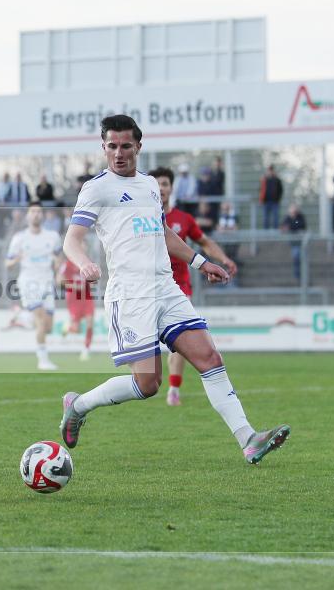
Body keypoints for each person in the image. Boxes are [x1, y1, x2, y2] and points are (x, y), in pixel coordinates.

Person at [60, 114, 290, 466]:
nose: (118, 153)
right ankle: (78, 406)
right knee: (147, 384)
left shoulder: (151, 185)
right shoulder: (97, 188)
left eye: (125, 146)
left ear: (138, 146)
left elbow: (163, 233)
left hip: (166, 289)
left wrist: (202, 262)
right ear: (103, 147)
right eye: (112, 146)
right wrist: (84, 263)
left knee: (210, 359)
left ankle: (249, 439)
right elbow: (71, 240)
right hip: (130, 294)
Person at [150, 166, 238, 407]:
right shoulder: (142, 218)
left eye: (166, 184)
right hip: (147, 290)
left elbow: (205, 242)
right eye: (157, 183)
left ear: (171, 188)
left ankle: (174, 389)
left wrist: (223, 259)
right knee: (146, 366)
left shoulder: (184, 219)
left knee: (179, 345)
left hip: (179, 289)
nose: (161, 188)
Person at [6, 202, 63, 371]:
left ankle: (23, 316)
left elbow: (59, 257)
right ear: (28, 216)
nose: (36, 214)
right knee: (40, 321)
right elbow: (7, 263)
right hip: (28, 281)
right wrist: (17, 259)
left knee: (48, 327)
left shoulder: (52, 236)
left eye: (39, 211)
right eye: (33, 211)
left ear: (43, 215)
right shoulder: (19, 238)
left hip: (47, 281)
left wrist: (58, 269)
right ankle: (43, 361)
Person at [58, 236, 95, 361]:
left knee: (90, 323)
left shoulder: (88, 262)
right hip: (74, 297)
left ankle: (86, 350)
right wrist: (73, 285)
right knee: (76, 329)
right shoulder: (68, 263)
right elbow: (59, 281)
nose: (83, 247)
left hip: (86, 296)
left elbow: (92, 279)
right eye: (81, 244)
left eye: (84, 244)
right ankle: (67, 327)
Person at [280, 204, 307, 281]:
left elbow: (301, 225)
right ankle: (298, 275)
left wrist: (292, 225)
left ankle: (300, 275)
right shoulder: (287, 218)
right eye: (292, 212)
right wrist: (292, 225)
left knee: (300, 257)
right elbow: (283, 227)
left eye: (295, 212)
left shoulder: (300, 217)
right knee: (296, 256)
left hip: (300, 241)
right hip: (293, 241)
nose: (293, 213)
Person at [259, 165, 283, 230]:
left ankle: (275, 232)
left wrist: (278, 199)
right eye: (269, 170)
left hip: (275, 202)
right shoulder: (264, 180)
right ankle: (265, 233)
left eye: (271, 170)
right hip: (266, 202)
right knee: (266, 218)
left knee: (275, 218)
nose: (270, 172)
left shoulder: (277, 180)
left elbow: (280, 190)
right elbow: (261, 190)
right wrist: (261, 199)